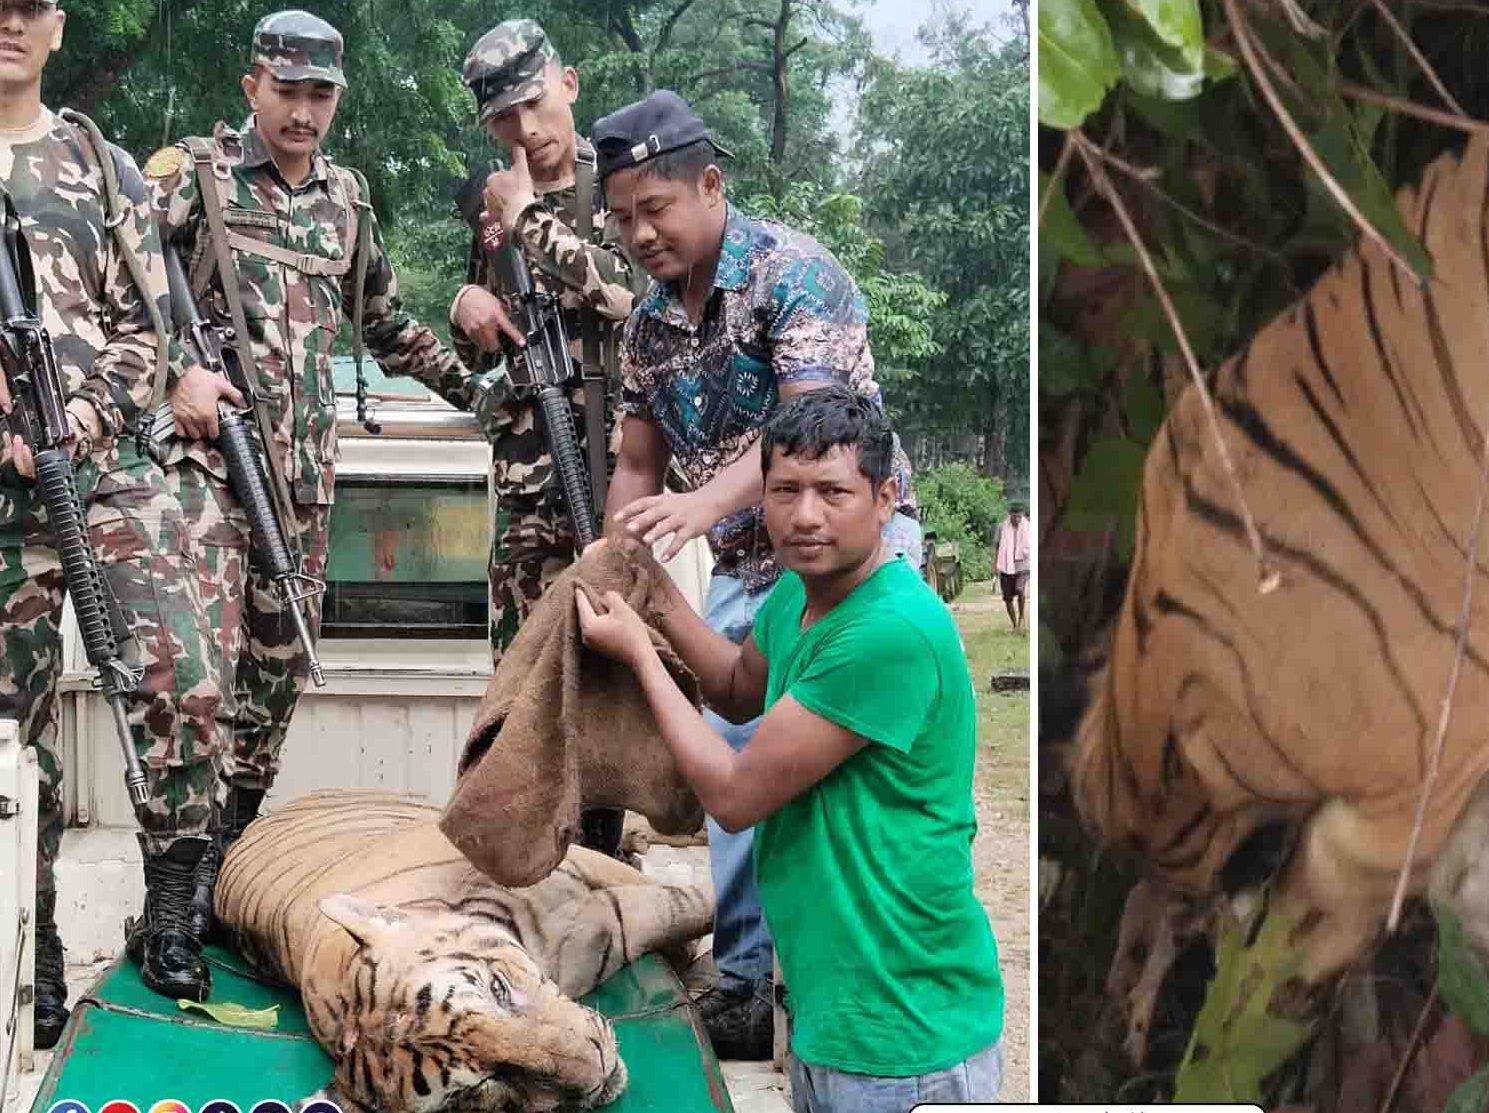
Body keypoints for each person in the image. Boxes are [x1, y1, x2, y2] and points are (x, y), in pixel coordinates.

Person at [591, 88, 924, 1059]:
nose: (640, 233)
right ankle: (744, 981)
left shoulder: (794, 276)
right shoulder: (649, 325)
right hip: (749, 566)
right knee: (738, 754)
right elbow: (638, 463)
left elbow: (806, 436)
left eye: (655, 209)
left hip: (851, 554)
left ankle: (854, 979)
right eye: (620, 220)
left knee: (834, 789)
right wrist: (621, 558)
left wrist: (699, 508)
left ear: (708, 183)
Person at [574, 387, 1002, 1109]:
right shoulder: (801, 597)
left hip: (903, 1033)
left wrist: (639, 658)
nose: (805, 516)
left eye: (833, 491)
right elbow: (738, 688)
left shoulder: (886, 632)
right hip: (831, 1014)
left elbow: (736, 797)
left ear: (886, 496)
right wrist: (652, 591)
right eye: (785, 491)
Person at [144, 10, 476, 939]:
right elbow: (121, 288)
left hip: (301, 482)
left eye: (318, 95)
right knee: (194, 678)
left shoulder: (349, 200)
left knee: (274, 677)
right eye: (285, 90)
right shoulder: (192, 176)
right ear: (253, 85)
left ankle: (224, 863)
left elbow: (385, 322)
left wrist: (474, 387)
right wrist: (176, 374)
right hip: (202, 478)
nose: (301, 111)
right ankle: (169, 891)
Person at [0, 0, 227, 1034]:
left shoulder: (101, 165)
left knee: (181, 675)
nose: (10, 21)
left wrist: (85, 415)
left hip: (100, 468)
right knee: (10, 735)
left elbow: (151, 328)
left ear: (57, 25)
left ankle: (171, 904)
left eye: (28, 5)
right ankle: (29, 938)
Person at [443, 17, 640, 857]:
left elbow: (625, 293)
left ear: (569, 83)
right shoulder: (488, 208)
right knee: (521, 679)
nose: (524, 133)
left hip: (613, 471)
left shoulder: (625, 178)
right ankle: (525, 860)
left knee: (610, 673)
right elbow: (491, 323)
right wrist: (464, 310)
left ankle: (602, 860)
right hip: (527, 481)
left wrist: (527, 217)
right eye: (501, 121)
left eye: (532, 105)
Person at [995, 499, 1029, 634]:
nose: (1017, 519)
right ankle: (1015, 625)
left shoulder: (1028, 527)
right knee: (1007, 597)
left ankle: (1021, 619)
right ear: (1010, 516)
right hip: (1006, 564)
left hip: (1023, 564)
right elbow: (997, 546)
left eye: (1020, 516)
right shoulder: (1002, 527)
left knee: (1020, 589)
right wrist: (994, 565)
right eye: (1015, 516)